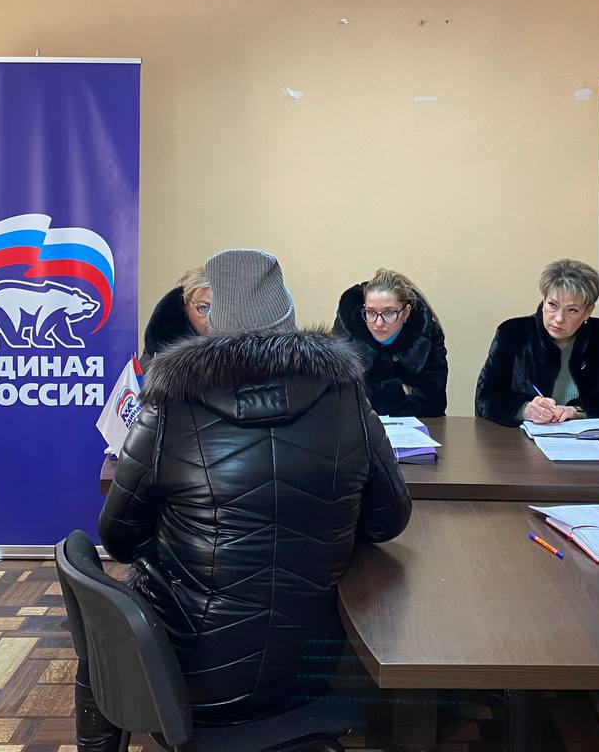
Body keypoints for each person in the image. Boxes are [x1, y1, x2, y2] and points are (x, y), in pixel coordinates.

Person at [97, 248, 412, 730]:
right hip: (315, 661)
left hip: (190, 666)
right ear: (287, 315)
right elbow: (389, 519)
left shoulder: (169, 403)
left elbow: (120, 537)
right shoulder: (346, 393)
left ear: (216, 318)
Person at [475, 258, 599, 427]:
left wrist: (579, 411)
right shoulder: (512, 334)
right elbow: (485, 398)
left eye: (572, 310)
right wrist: (526, 410)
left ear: (587, 311)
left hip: (589, 440)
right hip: (521, 441)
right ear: (543, 301)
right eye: (552, 305)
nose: (559, 318)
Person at [333, 268, 447, 417]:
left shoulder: (428, 334)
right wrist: (399, 390)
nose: (378, 323)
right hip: (358, 426)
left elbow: (433, 402)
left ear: (405, 313)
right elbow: (340, 399)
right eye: (370, 312)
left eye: (389, 312)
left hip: (421, 426)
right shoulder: (347, 335)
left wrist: (371, 394)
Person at [141, 267, 210, 356]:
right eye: (204, 308)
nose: (213, 319)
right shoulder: (157, 353)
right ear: (185, 305)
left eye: (220, 309)